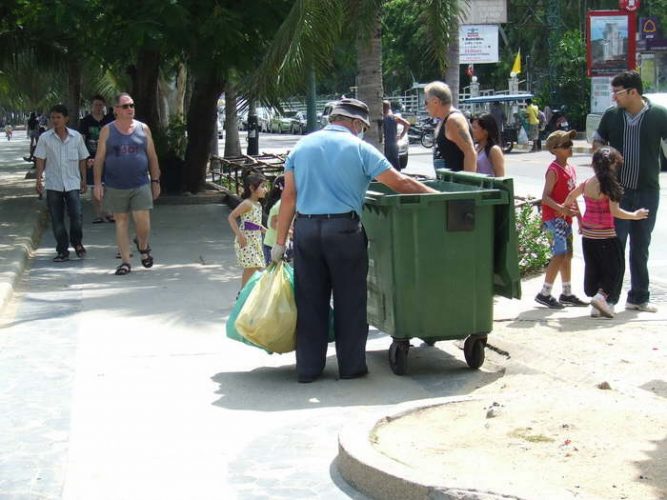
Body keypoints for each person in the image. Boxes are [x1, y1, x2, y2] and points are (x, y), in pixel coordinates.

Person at [271, 97, 437, 383]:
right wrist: (440, 198)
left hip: (307, 232)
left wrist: (278, 242)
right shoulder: (360, 148)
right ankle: (351, 368)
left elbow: (289, 196)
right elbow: (400, 183)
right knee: (350, 300)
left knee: (310, 301)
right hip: (344, 231)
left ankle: (309, 369)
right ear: (357, 123)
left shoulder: (302, 146)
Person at [593, 70, 667, 313]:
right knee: (616, 246)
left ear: (633, 92)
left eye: (618, 92)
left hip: (647, 191)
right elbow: (597, 143)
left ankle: (638, 297)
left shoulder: (659, 115)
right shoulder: (612, 116)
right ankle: (608, 299)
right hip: (617, 192)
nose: (614, 97)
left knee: (640, 246)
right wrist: (606, 159)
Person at [563, 147, 649, 319]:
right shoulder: (609, 186)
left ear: (594, 164)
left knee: (594, 268)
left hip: (588, 235)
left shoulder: (587, 183)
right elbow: (615, 211)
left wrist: (572, 213)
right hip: (606, 236)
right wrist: (635, 215)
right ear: (613, 165)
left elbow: (570, 198)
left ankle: (596, 306)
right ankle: (601, 298)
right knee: (615, 270)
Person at [93, 93, 161, 276]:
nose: (130, 109)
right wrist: (98, 184)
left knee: (142, 222)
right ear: (116, 110)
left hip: (140, 183)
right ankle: (125, 262)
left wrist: (155, 181)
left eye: (131, 105)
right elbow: (99, 159)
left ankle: (143, 245)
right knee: (121, 222)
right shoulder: (107, 130)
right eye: (125, 106)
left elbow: (152, 157)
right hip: (115, 185)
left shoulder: (143, 129)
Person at [534, 129, 587, 309]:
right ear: (555, 150)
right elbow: (545, 197)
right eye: (566, 145)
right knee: (560, 253)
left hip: (566, 219)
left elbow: (572, 196)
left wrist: (579, 217)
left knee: (568, 255)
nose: (570, 147)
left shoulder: (570, 169)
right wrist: (561, 208)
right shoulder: (554, 170)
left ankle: (566, 292)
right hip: (554, 218)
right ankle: (545, 293)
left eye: (570, 144)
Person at [34, 104, 90, 262]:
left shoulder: (76, 137)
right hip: (53, 184)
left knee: (76, 215)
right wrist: (39, 179)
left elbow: (82, 159)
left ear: (66, 119)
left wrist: (84, 179)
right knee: (57, 218)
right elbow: (40, 159)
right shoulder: (45, 138)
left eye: (59, 117)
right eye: (53, 117)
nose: (55, 120)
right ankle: (62, 250)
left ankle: (77, 242)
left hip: (72, 182)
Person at [424, 81, 476, 172]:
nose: (425, 107)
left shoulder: (453, 121)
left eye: (426, 102)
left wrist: (467, 184)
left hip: (458, 183)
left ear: (436, 101)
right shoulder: (443, 120)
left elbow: (470, 153)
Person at [227, 173, 268, 287]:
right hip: (246, 241)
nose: (266, 189)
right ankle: (242, 295)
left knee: (256, 268)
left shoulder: (258, 204)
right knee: (251, 267)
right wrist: (239, 235)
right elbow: (231, 217)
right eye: (263, 186)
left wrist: (269, 233)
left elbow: (255, 224)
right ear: (251, 188)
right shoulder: (247, 203)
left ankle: (249, 295)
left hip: (256, 241)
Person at [80, 95, 114, 224]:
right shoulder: (85, 122)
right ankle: (99, 214)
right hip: (92, 157)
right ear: (91, 106)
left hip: (108, 157)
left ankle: (109, 212)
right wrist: (87, 157)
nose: (98, 107)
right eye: (96, 105)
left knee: (108, 186)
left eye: (100, 105)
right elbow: (82, 140)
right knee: (95, 185)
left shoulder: (109, 120)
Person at [262, 175, 287, 265]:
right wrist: (291, 232)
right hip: (274, 245)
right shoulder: (280, 203)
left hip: (275, 243)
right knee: (274, 276)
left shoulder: (280, 202)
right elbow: (274, 223)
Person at [382, 100, 410, 170]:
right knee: (395, 163)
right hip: (393, 143)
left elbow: (407, 124)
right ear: (389, 108)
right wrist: (401, 136)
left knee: (386, 164)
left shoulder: (381, 118)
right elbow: (407, 124)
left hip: (385, 144)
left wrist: (401, 136)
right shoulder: (394, 117)